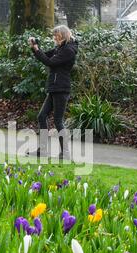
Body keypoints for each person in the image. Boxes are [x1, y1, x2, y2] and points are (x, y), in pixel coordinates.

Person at [27, 25, 78, 159]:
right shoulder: (60, 48)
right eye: (54, 35)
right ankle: (43, 150)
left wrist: (37, 50)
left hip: (61, 88)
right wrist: (35, 47)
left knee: (58, 120)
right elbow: (45, 55)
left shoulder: (68, 50)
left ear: (63, 35)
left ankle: (65, 153)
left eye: (56, 35)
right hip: (55, 87)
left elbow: (49, 62)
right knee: (41, 116)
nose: (54, 37)